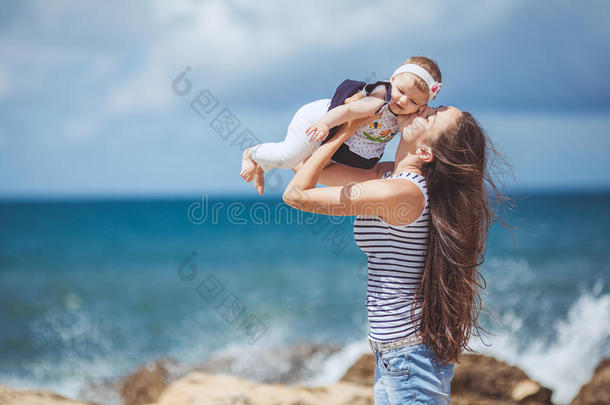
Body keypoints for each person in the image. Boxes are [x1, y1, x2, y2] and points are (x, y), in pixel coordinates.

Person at [282, 105, 505, 404]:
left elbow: (296, 195)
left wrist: (349, 128)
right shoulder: (389, 177)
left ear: (426, 152)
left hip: (409, 358)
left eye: (432, 115)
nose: (422, 109)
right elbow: (307, 168)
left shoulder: (403, 194)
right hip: (394, 354)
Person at [240, 56, 442, 195]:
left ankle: (264, 165)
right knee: (287, 158)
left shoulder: (406, 115)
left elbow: (425, 126)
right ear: (392, 80)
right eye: (400, 90)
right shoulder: (380, 100)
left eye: (414, 102)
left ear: (423, 106)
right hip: (319, 121)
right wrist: (324, 124)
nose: (404, 101)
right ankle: (252, 153)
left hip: (341, 142)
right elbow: (349, 111)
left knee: (302, 165)